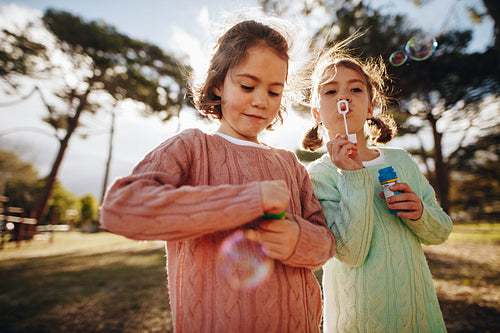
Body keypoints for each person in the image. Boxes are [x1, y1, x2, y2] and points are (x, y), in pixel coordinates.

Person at [100, 18, 336, 333]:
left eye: (274, 91)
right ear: (217, 84)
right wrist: (247, 199)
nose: (261, 101)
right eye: (247, 86)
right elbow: (120, 209)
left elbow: (325, 244)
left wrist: (298, 239)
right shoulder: (192, 147)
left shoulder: (290, 164)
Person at [303, 46, 453, 332]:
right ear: (316, 113)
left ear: (370, 107)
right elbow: (351, 252)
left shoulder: (400, 160)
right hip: (359, 319)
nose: (344, 97)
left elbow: (442, 230)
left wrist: (420, 213)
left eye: (355, 90)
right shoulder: (320, 174)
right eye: (331, 92)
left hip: (417, 312)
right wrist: (351, 174)